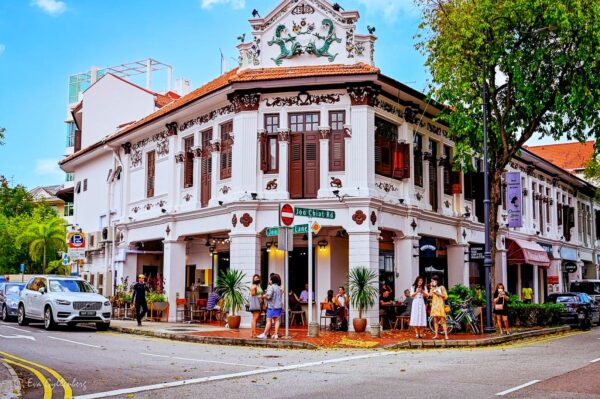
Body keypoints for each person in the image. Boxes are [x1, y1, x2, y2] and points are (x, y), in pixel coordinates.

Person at [258, 273, 283, 339]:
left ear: (272, 280)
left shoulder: (271, 287)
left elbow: (268, 296)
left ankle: (264, 334)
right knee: (277, 321)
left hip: (272, 307)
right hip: (279, 307)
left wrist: (262, 296)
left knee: (269, 320)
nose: (269, 280)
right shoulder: (278, 287)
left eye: (270, 279)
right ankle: (275, 334)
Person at [429, 275, 449, 340]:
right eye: (432, 281)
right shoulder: (433, 288)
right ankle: (436, 334)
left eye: (433, 281)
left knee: (443, 320)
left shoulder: (441, 287)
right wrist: (431, 287)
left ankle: (446, 335)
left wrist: (439, 294)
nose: (432, 282)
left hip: (440, 304)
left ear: (437, 281)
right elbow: (430, 295)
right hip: (434, 305)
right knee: (435, 320)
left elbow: (446, 296)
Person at [248, 274, 263, 338]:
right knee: (255, 318)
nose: (256, 279)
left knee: (255, 319)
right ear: (253, 280)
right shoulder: (253, 286)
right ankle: (254, 333)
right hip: (255, 303)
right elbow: (252, 294)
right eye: (255, 278)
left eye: (257, 278)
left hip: (259, 303)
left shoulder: (259, 285)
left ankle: (252, 333)